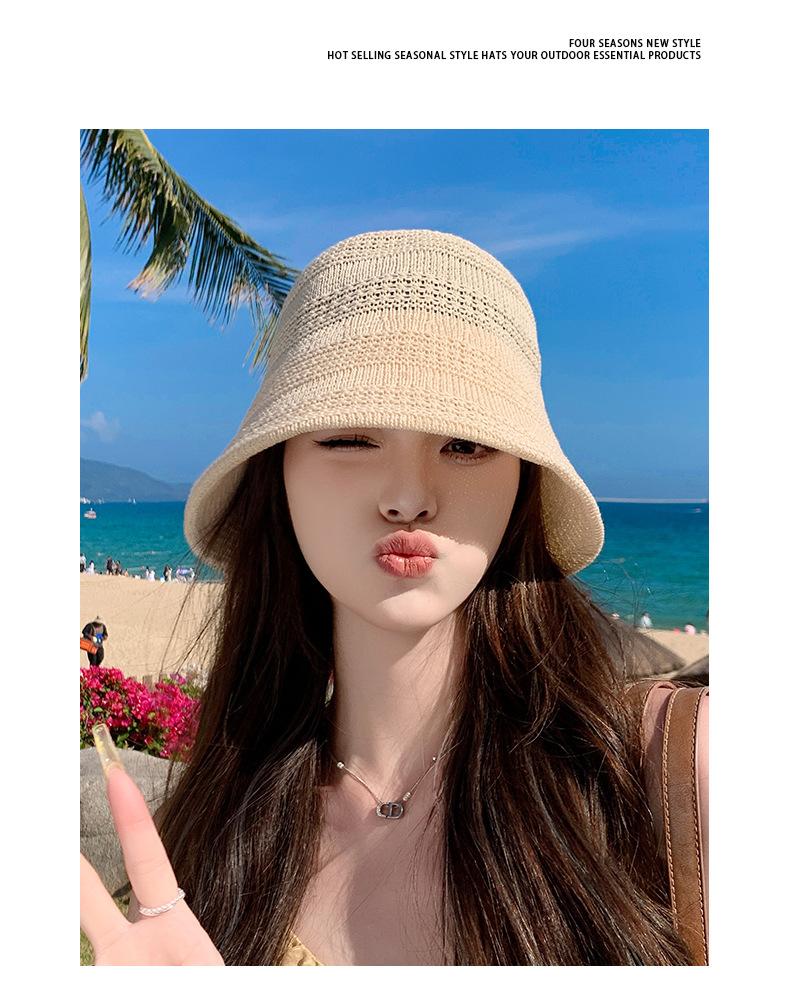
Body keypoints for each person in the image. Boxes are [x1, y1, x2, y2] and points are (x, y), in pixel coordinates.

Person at [80, 229, 708, 966]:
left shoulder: (673, 772)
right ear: (278, 472)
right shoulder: (219, 835)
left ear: (522, 481)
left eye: (465, 444)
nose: (409, 498)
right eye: (350, 439)